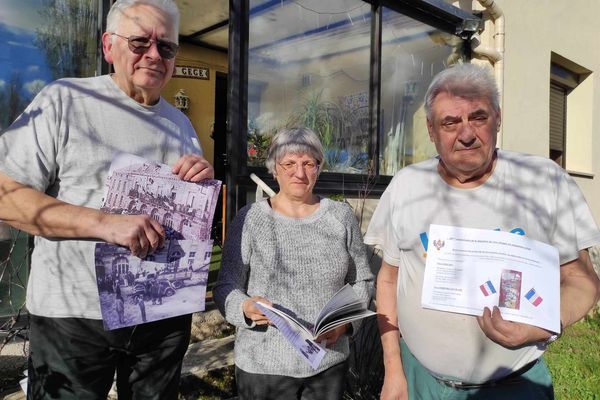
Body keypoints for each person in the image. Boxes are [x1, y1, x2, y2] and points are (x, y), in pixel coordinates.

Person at [0, 0, 214, 398]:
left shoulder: (181, 123)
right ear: (108, 46)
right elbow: (5, 197)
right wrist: (107, 223)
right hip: (75, 314)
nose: (154, 54)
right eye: (139, 42)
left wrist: (200, 184)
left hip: (162, 311)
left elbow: (186, 213)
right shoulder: (65, 101)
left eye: (166, 47)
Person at [364, 63, 600, 399]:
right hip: (422, 382)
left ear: (498, 119)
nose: (466, 133)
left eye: (478, 117)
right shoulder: (407, 186)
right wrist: (393, 369)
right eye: (450, 122)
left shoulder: (543, 182)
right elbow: (388, 280)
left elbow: (582, 281)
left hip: (515, 386)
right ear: (431, 130)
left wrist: (548, 322)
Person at [214, 127, 374, 400]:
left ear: (319, 167)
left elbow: (363, 281)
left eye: (308, 163)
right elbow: (226, 285)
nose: (299, 173)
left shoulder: (341, 217)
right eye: (289, 164)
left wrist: (346, 324)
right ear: (274, 169)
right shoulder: (250, 218)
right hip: (263, 368)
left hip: (327, 366)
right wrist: (244, 307)